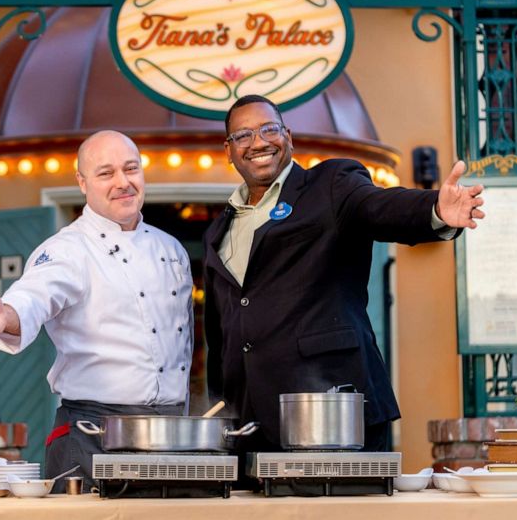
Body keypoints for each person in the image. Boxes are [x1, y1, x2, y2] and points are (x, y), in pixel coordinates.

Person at [203, 94, 485, 454]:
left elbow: (379, 208)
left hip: (334, 414)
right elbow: (221, 332)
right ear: (229, 150)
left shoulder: (331, 185)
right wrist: (222, 414)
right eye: (243, 135)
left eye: (268, 129)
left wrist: (434, 210)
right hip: (250, 428)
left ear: (288, 136)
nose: (258, 142)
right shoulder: (217, 232)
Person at [0, 130, 194, 491]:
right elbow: (34, 296)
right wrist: (5, 313)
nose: (123, 182)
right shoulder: (68, 250)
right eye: (106, 173)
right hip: (92, 438)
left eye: (131, 169)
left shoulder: (171, 249)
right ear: (82, 183)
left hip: (169, 438)